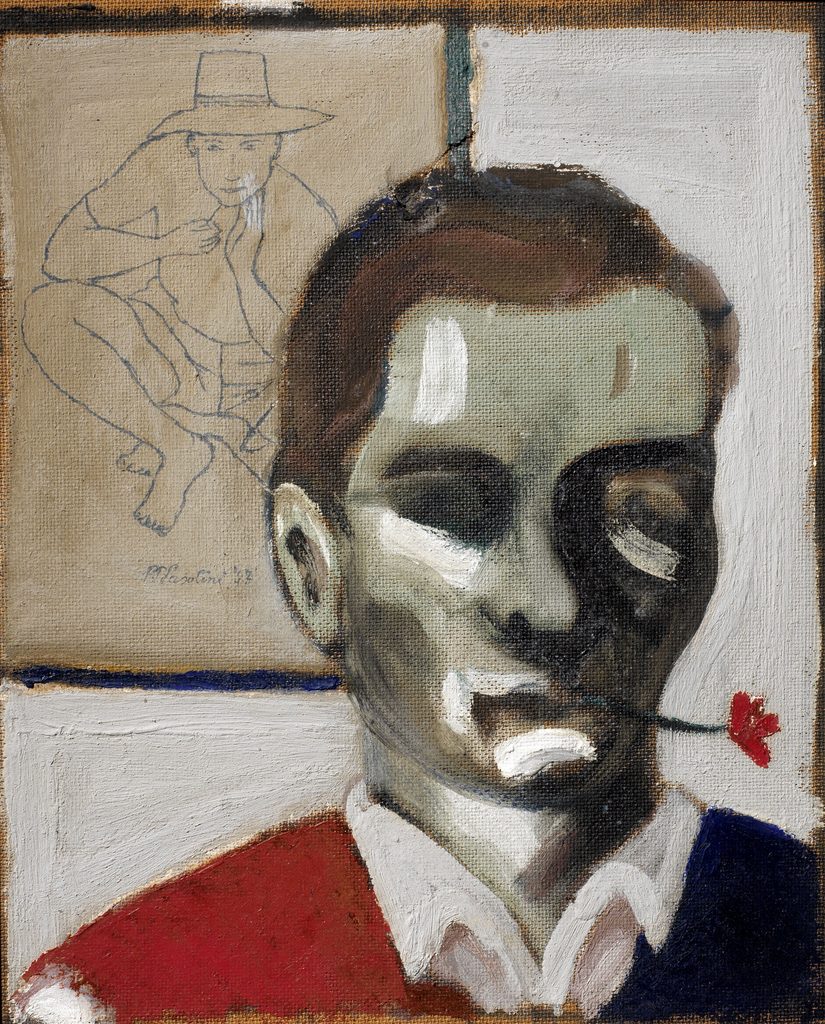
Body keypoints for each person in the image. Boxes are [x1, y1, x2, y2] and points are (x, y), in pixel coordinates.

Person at [12, 166, 818, 1022]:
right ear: (312, 567)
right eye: (452, 509)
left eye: (642, 513)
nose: (551, 604)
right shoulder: (121, 999)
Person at [22, 49, 336, 535]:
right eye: (214, 148)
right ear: (191, 146)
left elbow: (308, 346)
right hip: (172, 358)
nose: (232, 169)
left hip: (257, 387)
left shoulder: (305, 212)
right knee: (47, 310)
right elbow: (60, 256)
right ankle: (177, 439)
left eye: (249, 147)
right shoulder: (159, 169)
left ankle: (185, 433)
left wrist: (242, 271)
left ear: (275, 147)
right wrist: (161, 245)